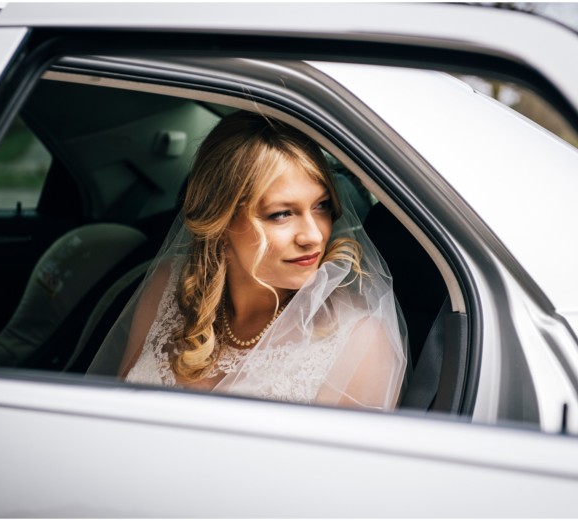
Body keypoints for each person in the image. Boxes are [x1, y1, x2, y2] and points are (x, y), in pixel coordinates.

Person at [88, 111, 407, 410]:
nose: (313, 235)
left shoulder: (359, 338)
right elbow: (116, 414)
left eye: (321, 206)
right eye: (281, 214)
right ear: (221, 223)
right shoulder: (168, 285)